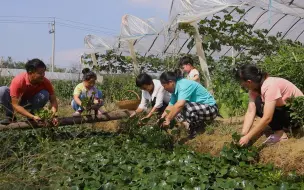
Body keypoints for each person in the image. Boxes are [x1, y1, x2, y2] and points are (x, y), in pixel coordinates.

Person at [235, 64, 303, 145]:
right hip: (286, 112)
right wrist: (243, 134)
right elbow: (250, 111)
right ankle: (282, 129)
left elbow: (267, 118)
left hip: (298, 117)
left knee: (262, 105)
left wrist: (248, 137)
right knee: (257, 103)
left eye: (242, 84)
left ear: (249, 82)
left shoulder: (269, 86)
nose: (242, 86)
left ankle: (280, 134)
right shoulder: (254, 89)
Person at [160, 70, 218, 138]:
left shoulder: (183, 84)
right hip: (201, 109)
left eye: (164, 86)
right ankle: (191, 126)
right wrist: (162, 118)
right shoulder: (175, 89)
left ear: (171, 82)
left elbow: (180, 104)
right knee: (175, 111)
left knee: (184, 107)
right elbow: (170, 106)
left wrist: (168, 119)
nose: (165, 89)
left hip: (211, 109)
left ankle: (195, 129)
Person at [0, 58, 58, 125]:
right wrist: (32, 117)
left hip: (31, 102)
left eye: (44, 72)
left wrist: (53, 115)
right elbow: (15, 105)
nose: (43, 75)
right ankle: (10, 117)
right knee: (2, 90)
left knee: (45, 94)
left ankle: (33, 115)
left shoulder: (45, 82)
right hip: (17, 102)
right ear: (30, 73)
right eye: (39, 73)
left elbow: (53, 101)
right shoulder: (19, 81)